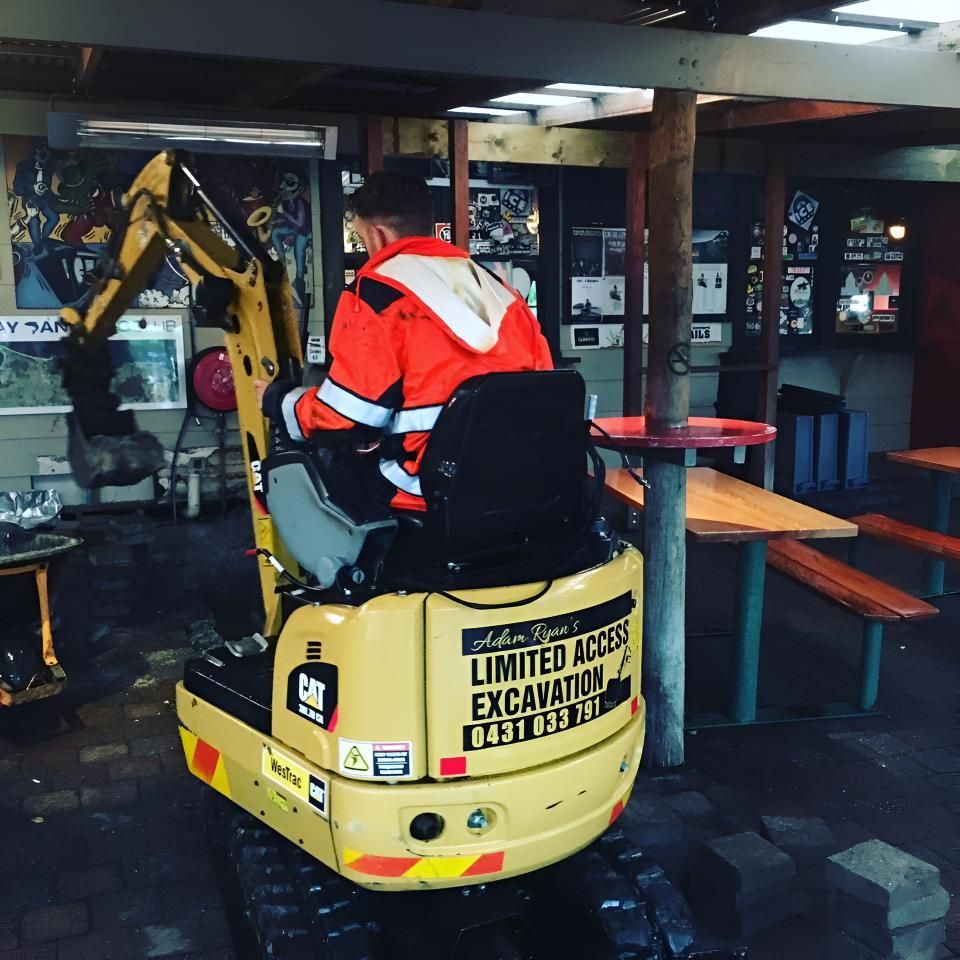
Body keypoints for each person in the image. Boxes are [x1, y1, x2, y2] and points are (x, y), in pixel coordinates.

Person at [257, 169, 552, 513]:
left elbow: (346, 419)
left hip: (427, 491)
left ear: (378, 235)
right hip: (522, 484)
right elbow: (541, 388)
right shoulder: (500, 291)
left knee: (312, 474)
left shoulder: (374, 294)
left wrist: (280, 400)